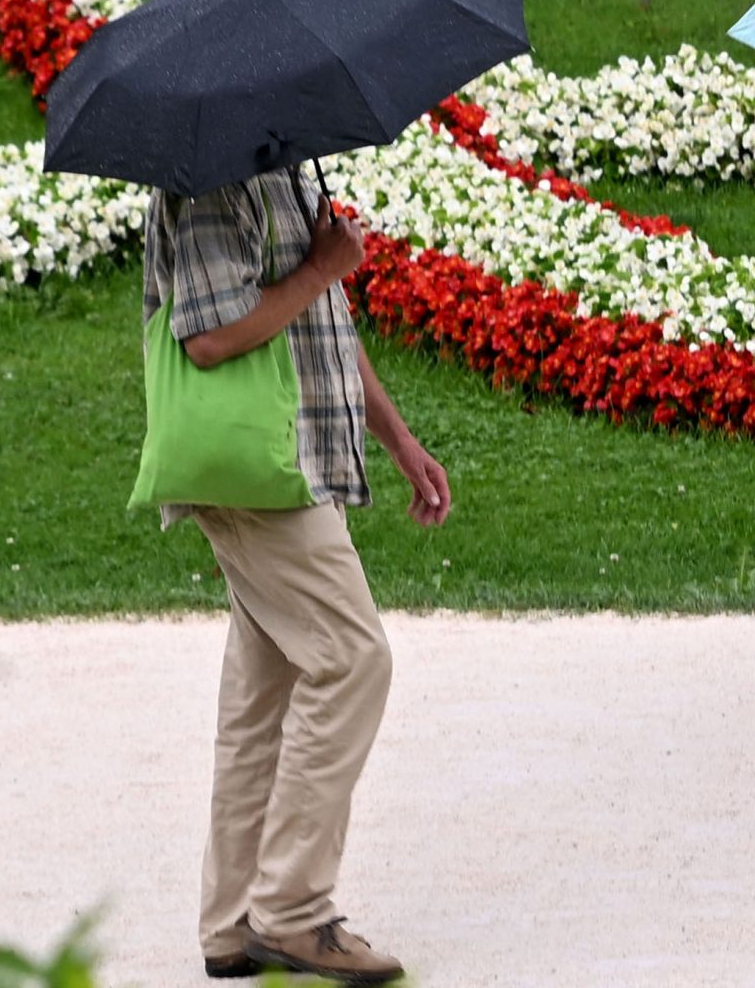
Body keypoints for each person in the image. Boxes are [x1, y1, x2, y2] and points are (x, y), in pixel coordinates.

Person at [143, 163, 451, 985]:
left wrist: (399, 439)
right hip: (258, 474)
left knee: (263, 693)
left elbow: (325, 321)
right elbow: (207, 336)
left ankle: (234, 919)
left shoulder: (286, 174)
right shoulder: (208, 184)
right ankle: (294, 909)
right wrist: (322, 266)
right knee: (354, 659)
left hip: (291, 463)